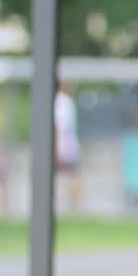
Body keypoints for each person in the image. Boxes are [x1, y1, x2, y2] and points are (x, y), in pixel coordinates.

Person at [55, 84, 83, 213]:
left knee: (73, 176)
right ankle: (75, 207)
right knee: (74, 176)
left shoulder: (61, 102)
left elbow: (61, 128)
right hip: (66, 146)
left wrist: (58, 148)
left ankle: (75, 207)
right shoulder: (65, 102)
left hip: (63, 146)